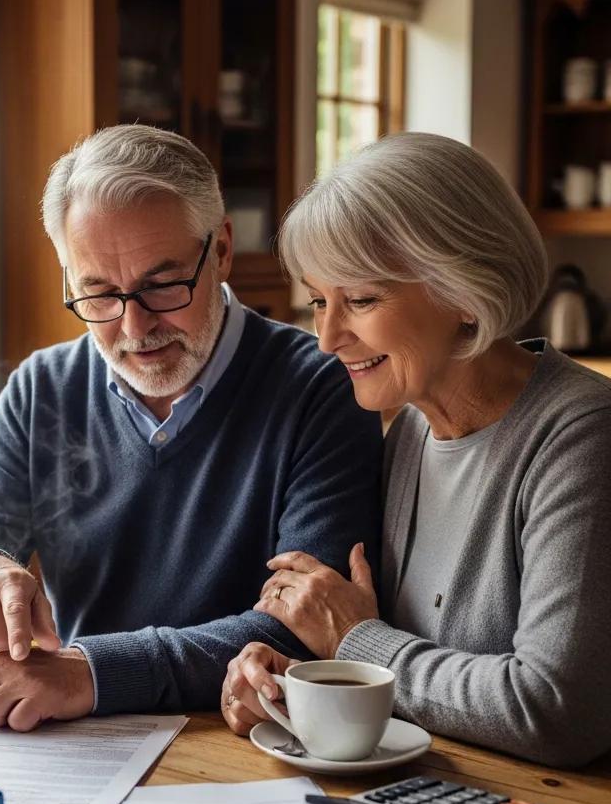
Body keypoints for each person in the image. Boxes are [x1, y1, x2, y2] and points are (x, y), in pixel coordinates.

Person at [0, 124, 382, 733]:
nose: (133, 327)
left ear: (223, 250)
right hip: (68, 737)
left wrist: (92, 673)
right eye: (97, 294)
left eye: (161, 284)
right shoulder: (42, 389)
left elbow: (306, 627)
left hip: (234, 747)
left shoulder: (321, 389)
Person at [221, 131, 611, 769]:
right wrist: (296, 682)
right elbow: (420, 675)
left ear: (463, 289)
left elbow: (552, 709)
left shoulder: (582, 437)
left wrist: (354, 642)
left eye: (363, 299)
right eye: (319, 301)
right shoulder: (409, 429)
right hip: (432, 800)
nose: (326, 338)